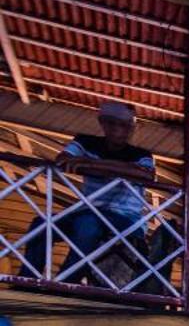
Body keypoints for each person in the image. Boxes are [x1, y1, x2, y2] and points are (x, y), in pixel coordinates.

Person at [45, 101, 163, 291]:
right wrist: (124, 170)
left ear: (131, 129)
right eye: (112, 123)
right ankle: (28, 278)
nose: (118, 130)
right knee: (41, 225)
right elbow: (62, 160)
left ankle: (66, 281)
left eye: (124, 126)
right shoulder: (85, 142)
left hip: (125, 220)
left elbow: (147, 175)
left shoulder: (141, 154)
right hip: (88, 210)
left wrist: (89, 164)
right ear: (103, 123)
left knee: (87, 225)